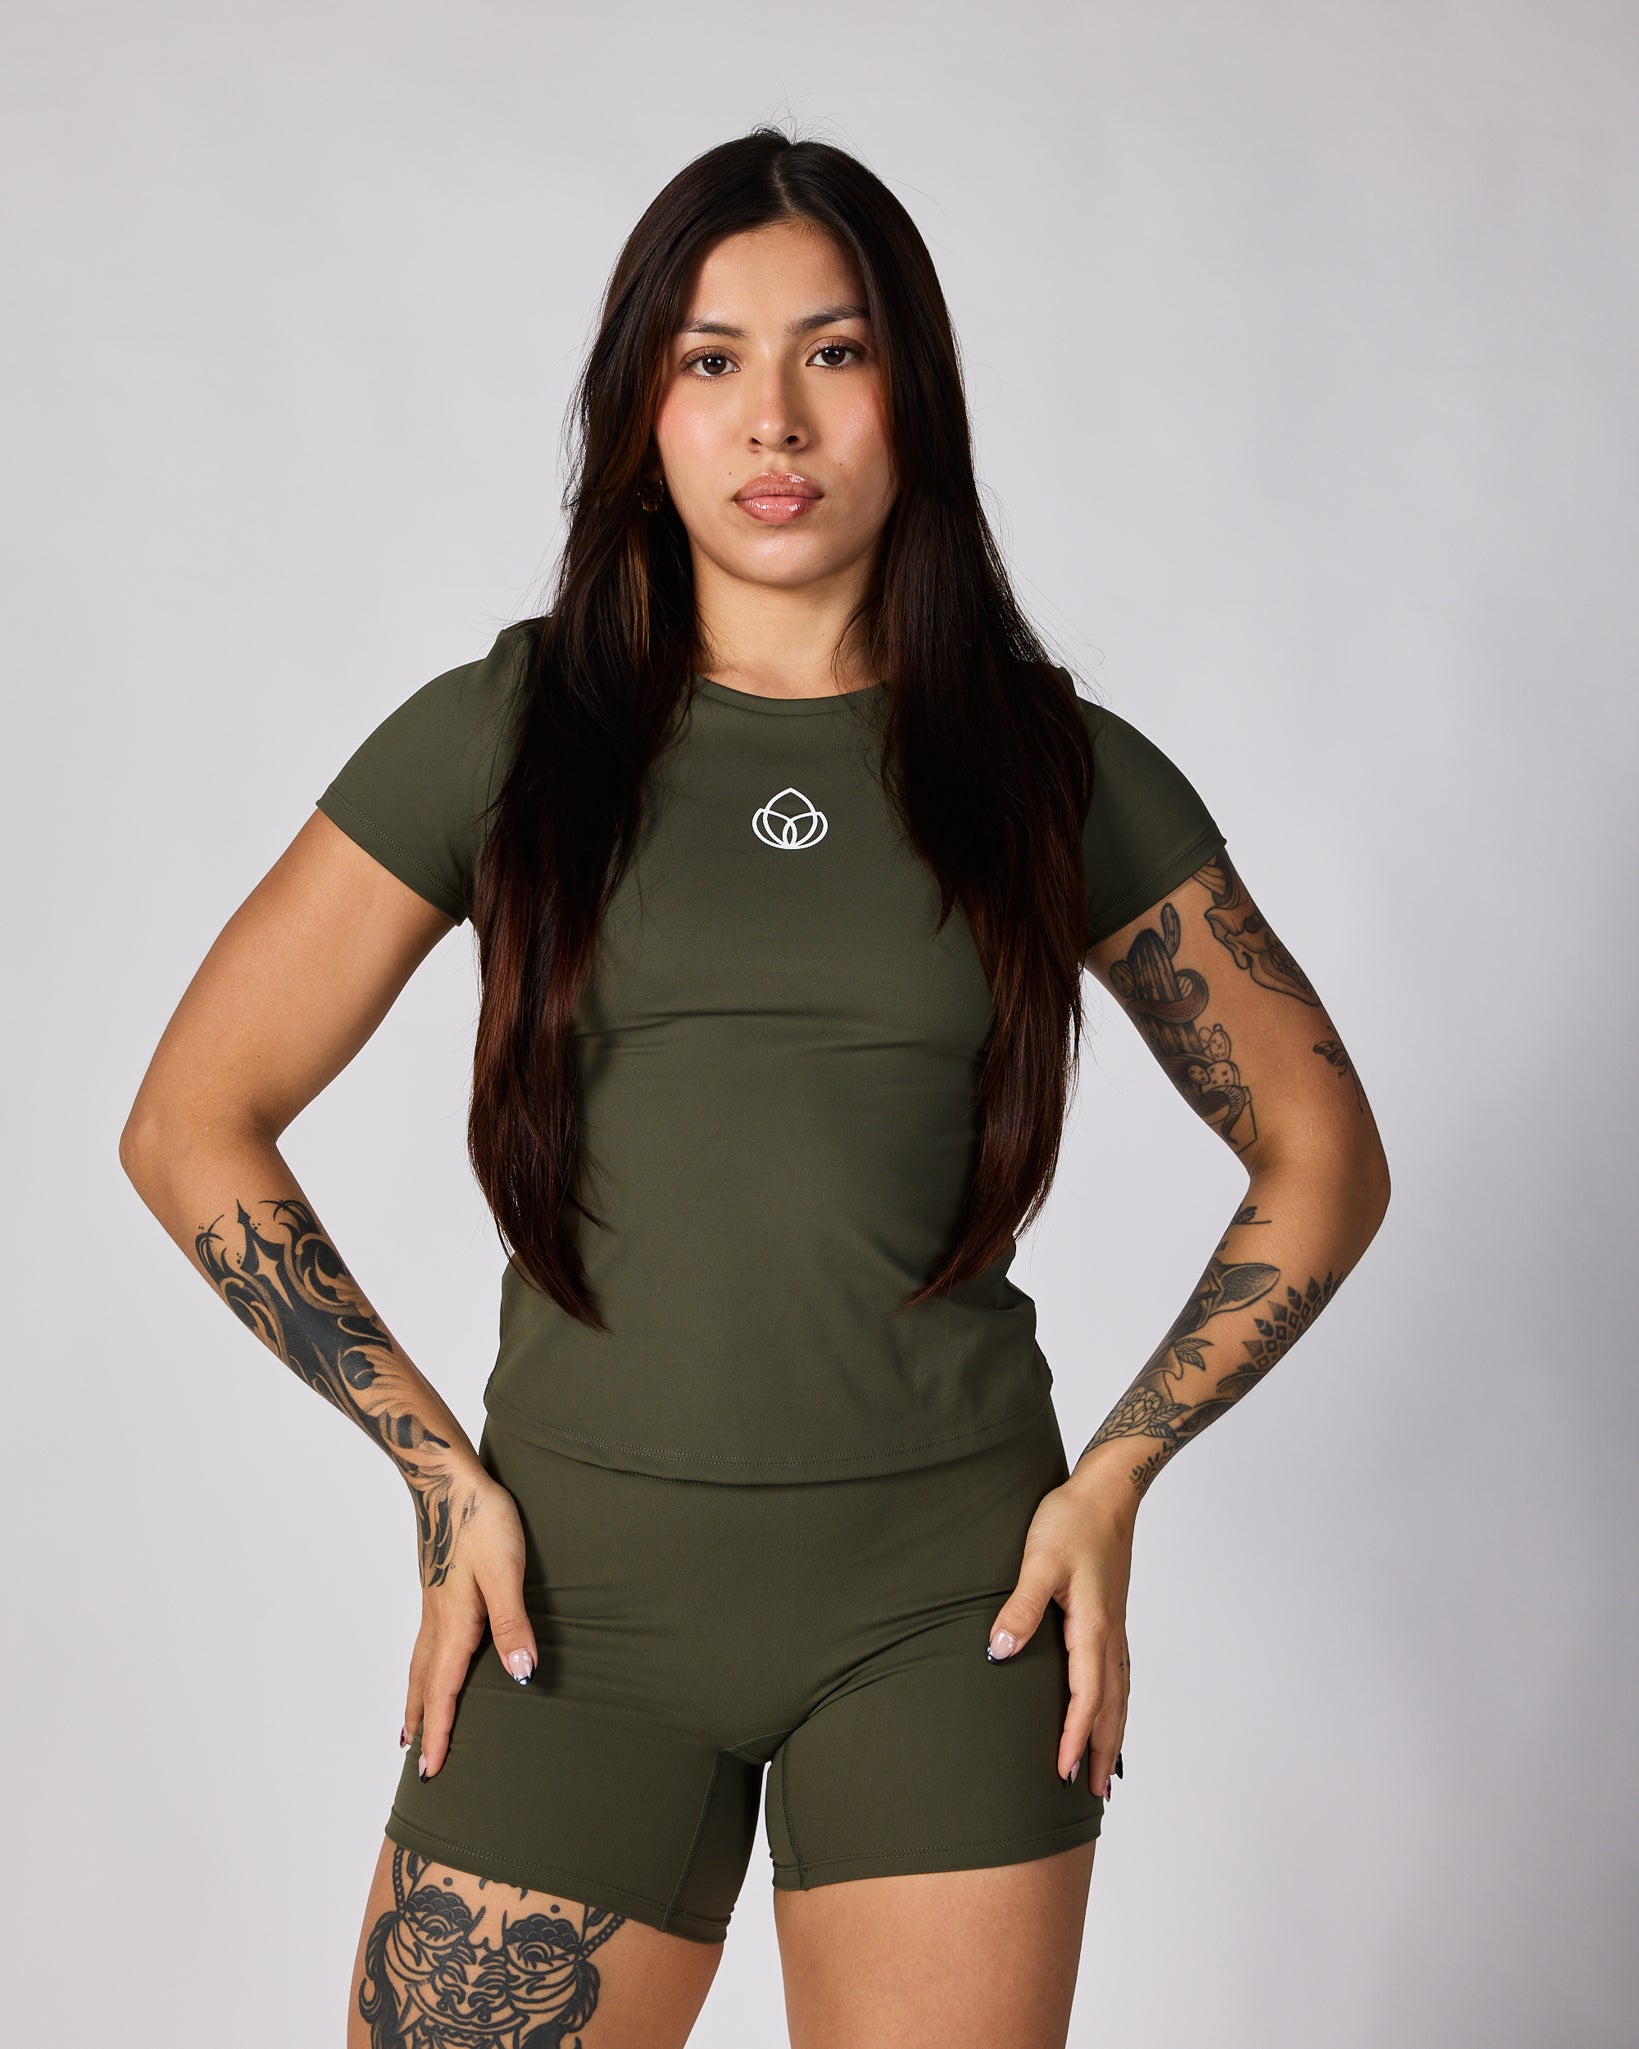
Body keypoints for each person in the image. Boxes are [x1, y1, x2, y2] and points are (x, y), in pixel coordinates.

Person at [119, 126, 1391, 2049]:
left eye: (835, 351)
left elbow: (1322, 1147)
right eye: (710, 359)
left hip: (951, 1614)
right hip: (570, 1610)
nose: (772, 418)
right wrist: (430, 1462)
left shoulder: (1050, 771)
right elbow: (190, 1115)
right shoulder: (510, 737)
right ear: (643, 414)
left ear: (913, 395)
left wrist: (1120, 1469)